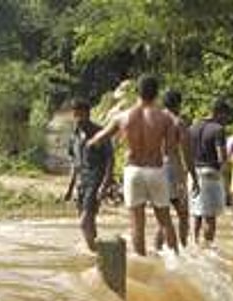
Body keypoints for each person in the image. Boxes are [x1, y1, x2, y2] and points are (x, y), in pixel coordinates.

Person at [87, 75, 181, 256]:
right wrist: (178, 178)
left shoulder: (122, 117)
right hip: (156, 170)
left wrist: (89, 146)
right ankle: (175, 261)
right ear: (157, 93)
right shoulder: (165, 119)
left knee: (137, 223)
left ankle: (142, 260)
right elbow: (170, 151)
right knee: (165, 221)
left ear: (137, 92)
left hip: (133, 171)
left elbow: (98, 140)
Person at [62, 98, 113, 252]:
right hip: (81, 183)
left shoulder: (100, 133)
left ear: (88, 114)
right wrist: (70, 188)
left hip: (95, 181)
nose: (77, 118)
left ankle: (95, 252)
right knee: (89, 223)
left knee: (84, 222)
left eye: (80, 115)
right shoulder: (74, 136)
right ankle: (99, 255)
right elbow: (75, 164)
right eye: (75, 115)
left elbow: (110, 158)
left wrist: (105, 183)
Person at [155, 88, 197, 250]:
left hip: (155, 168)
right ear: (178, 104)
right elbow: (187, 154)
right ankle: (183, 248)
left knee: (162, 217)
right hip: (172, 169)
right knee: (183, 213)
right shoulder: (178, 122)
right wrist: (193, 176)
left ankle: (158, 251)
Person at [189, 98, 231, 245]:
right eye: (226, 116)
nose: (226, 120)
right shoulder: (218, 129)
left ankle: (194, 244)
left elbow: (187, 152)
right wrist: (225, 179)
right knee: (210, 217)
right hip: (211, 174)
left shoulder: (193, 127)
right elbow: (221, 157)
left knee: (196, 214)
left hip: (194, 173)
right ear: (220, 113)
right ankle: (207, 248)